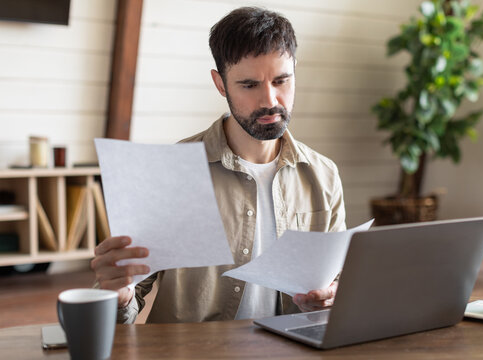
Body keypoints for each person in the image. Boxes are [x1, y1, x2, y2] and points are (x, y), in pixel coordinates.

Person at [91, 6, 346, 324]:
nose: (270, 100)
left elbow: (333, 296)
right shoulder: (172, 174)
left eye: (281, 80)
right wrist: (119, 295)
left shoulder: (324, 175)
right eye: (249, 85)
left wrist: (326, 302)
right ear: (221, 84)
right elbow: (125, 308)